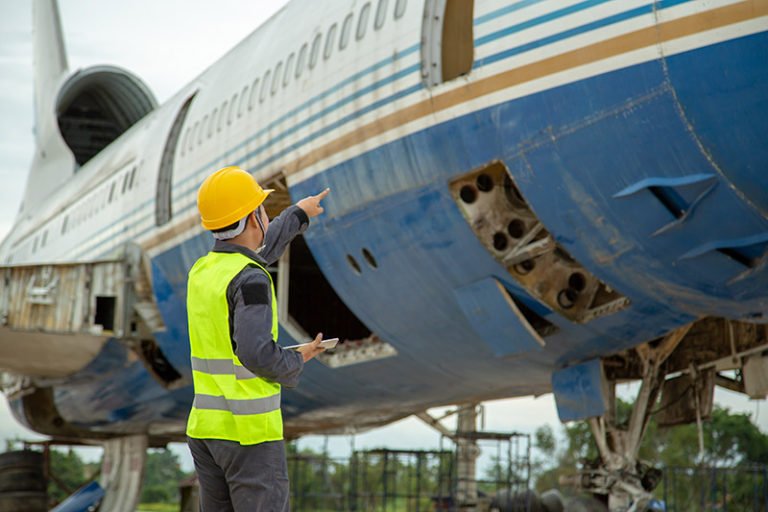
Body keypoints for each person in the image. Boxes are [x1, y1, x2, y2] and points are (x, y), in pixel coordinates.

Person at [185, 165, 330, 511]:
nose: (266, 215)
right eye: (263, 209)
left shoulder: (204, 272)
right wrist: (297, 359)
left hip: (206, 431)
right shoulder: (250, 280)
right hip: (247, 434)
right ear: (254, 218)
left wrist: (298, 214)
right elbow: (255, 353)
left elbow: (254, 258)